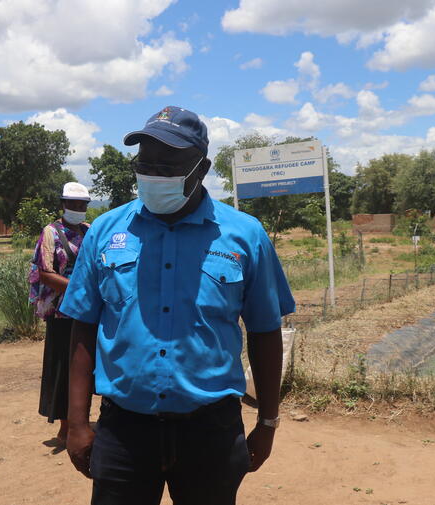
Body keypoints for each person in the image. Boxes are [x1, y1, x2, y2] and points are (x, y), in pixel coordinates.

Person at [59, 106, 296, 505]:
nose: (153, 174)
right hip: (124, 430)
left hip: (211, 431)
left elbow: (265, 331)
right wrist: (77, 422)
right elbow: (84, 325)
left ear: (201, 168)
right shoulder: (105, 231)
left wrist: (268, 422)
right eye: (145, 163)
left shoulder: (245, 235)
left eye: (167, 165)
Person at [28, 182, 91, 447]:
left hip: (88, 310)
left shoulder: (89, 230)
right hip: (62, 312)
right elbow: (45, 273)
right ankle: (66, 426)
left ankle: (83, 420)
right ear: (63, 205)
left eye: (82, 204)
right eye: (73, 204)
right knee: (64, 367)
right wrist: (80, 289)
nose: (78, 208)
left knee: (87, 366)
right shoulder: (51, 232)